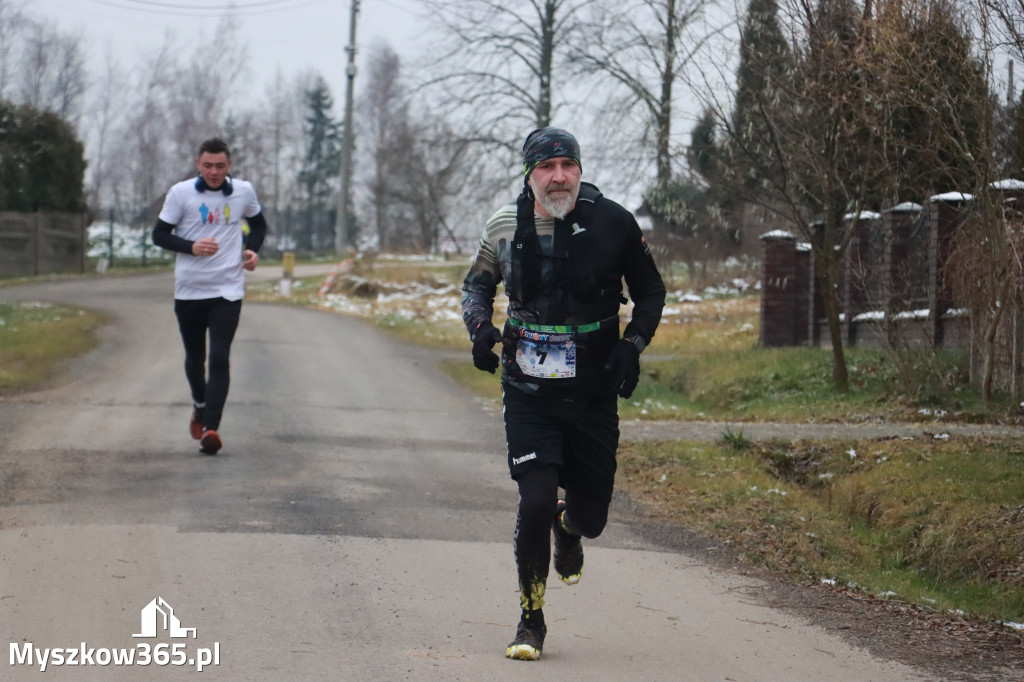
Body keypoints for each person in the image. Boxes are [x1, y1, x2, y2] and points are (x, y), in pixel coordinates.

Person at [461, 127, 666, 660]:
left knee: (591, 518)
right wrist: (480, 329)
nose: (558, 177)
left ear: (578, 169)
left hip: (594, 389)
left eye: (566, 166)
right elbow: (477, 284)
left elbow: (650, 291)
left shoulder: (615, 222)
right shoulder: (506, 223)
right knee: (532, 502)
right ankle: (531, 621)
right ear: (530, 174)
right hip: (528, 389)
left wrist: (631, 347)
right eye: (546, 168)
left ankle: (569, 526)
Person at [152, 137, 268, 455]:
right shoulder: (181, 193)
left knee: (219, 356)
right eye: (208, 166)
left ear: (229, 165)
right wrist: (190, 247)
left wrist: (251, 250)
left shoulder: (243, 191)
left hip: (227, 290)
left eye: (220, 166)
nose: (213, 172)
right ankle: (200, 406)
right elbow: (159, 235)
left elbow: (259, 226)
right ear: (198, 164)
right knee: (195, 358)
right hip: (189, 290)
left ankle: (211, 428)